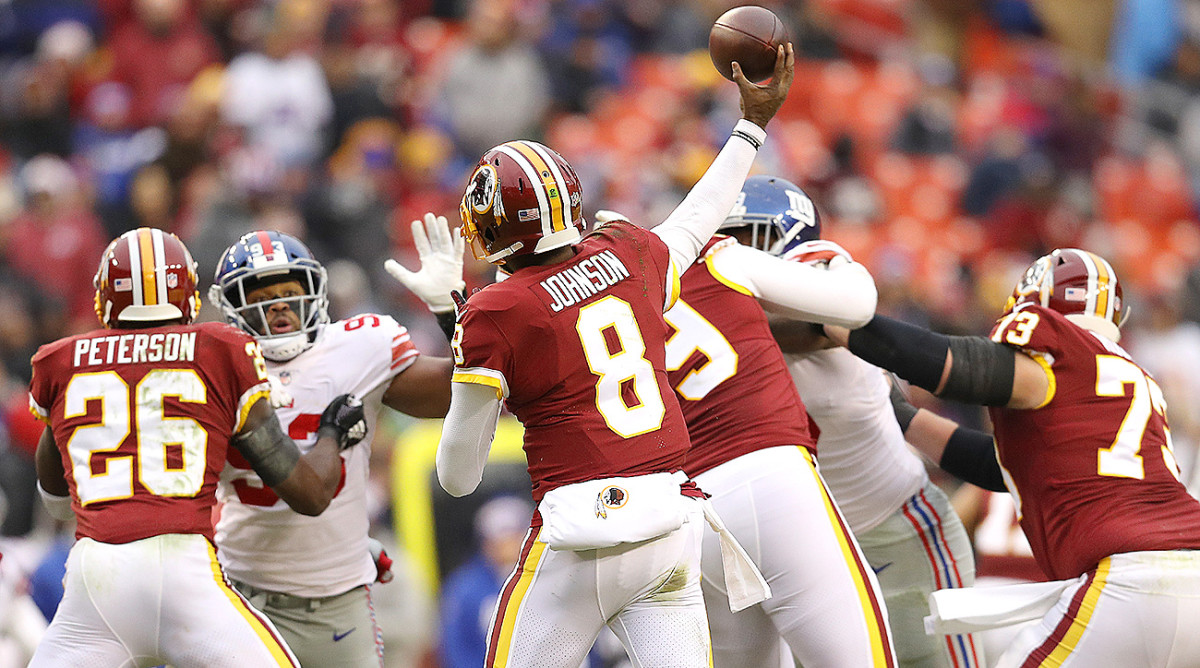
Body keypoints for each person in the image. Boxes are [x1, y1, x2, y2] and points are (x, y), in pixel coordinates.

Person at [391, 46, 794, 667]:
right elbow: (695, 218)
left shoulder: (496, 310)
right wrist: (751, 126)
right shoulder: (626, 250)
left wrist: (456, 314)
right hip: (667, 517)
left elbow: (458, 476)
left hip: (581, 535)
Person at [827, 248, 1200, 667]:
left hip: (1128, 584)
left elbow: (958, 366)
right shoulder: (1132, 375)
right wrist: (904, 417)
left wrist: (839, 324)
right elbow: (1002, 467)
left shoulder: (1060, 350)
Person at [26, 227, 365, 667]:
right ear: (188, 292)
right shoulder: (220, 350)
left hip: (97, 578)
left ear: (104, 298)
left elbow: (57, 505)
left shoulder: (60, 361)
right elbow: (310, 494)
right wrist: (333, 433)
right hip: (185, 574)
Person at [606, 172, 897, 668]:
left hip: (689, 513)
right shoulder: (721, 256)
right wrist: (838, 261)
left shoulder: (610, 305)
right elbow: (859, 304)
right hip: (773, 479)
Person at [721, 176, 981, 668]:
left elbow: (814, 322)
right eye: (724, 236)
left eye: (745, 236)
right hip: (798, 546)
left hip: (892, 529)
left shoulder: (817, 276)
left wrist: (723, 309)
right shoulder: (708, 310)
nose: (731, 250)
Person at [208, 229, 455, 666]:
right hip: (242, 591)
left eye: (289, 293)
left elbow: (456, 393)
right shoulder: (213, 368)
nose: (278, 305)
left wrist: (453, 312)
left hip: (338, 599)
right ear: (232, 307)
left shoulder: (356, 347)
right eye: (260, 296)